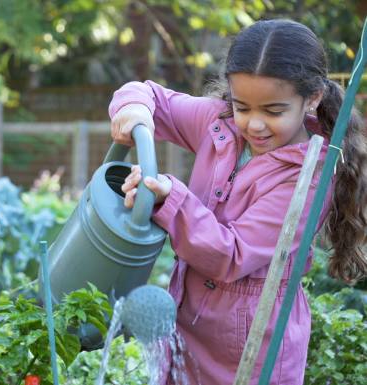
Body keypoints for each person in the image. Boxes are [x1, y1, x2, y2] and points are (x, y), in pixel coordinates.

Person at [108, 19, 367, 385]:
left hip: (252, 344)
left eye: (274, 111)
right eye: (242, 106)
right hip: (188, 321)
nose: (254, 125)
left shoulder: (310, 176)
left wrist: (171, 196)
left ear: (312, 99)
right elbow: (148, 94)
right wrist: (134, 110)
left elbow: (232, 255)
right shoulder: (220, 124)